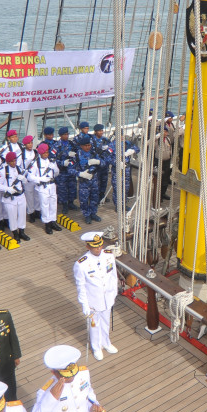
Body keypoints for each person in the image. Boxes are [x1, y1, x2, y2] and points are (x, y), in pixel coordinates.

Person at [73, 231, 119, 360]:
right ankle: (96, 347)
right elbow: (81, 287)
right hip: (93, 300)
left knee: (106, 322)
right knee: (94, 325)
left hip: (107, 298)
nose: (99, 249)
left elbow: (113, 276)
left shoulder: (109, 256)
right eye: (95, 247)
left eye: (100, 245)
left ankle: (106, 342)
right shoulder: (81, 264)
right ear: (88, 247)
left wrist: (113, 293)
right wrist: (85, 305)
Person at [27, 143, 61, 233]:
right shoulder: (35, 163)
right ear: (40, 153)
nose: (46, 154)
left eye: (47, 152)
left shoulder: (51, 161)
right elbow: (30, 176)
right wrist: (40, 179)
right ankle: (47, 224)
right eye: (44, 152)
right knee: (45, 205)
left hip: (52, 185)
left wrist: (55, 168)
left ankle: (53, 221)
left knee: (53, 204)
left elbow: (57, 173)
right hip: (43, 187)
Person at [0, 151, 29, 242]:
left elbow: (25, 182)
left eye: (15, 160)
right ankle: (15, 233)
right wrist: (7, 189)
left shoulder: (20, 169)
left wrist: (24, 179)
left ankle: (22, 232)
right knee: (12, 216)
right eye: (11, 161)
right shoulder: (3, 172)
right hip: (10, 198)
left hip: (21, 196)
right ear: (7, 162)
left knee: (22, 215)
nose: (14, 163)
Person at [75, 136, 102, 224]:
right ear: (81, 146)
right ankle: (87, 215)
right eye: (86, 145)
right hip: (84, 182)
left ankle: (93, 213)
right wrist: (80, 174)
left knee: (94, 198)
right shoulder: (77, 156)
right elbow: (70, 169)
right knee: (84, 200)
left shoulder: (94, 154)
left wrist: (99, 162)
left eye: (89, 145)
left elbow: (103, 163)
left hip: (94, 180)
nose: (88, 147)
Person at [54, 127, 79, 211]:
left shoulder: (71, 144)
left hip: (71, 170)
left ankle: (71, 203)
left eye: (67, 134)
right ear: (61, 135)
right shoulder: (56, 146)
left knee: (72, 187)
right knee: (62, 189)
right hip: (62, 172)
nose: (67, 136)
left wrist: (74, 156)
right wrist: (62, 163)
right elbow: (52, 160)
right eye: (65, 134)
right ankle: (64, 205)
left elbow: (77, 154)